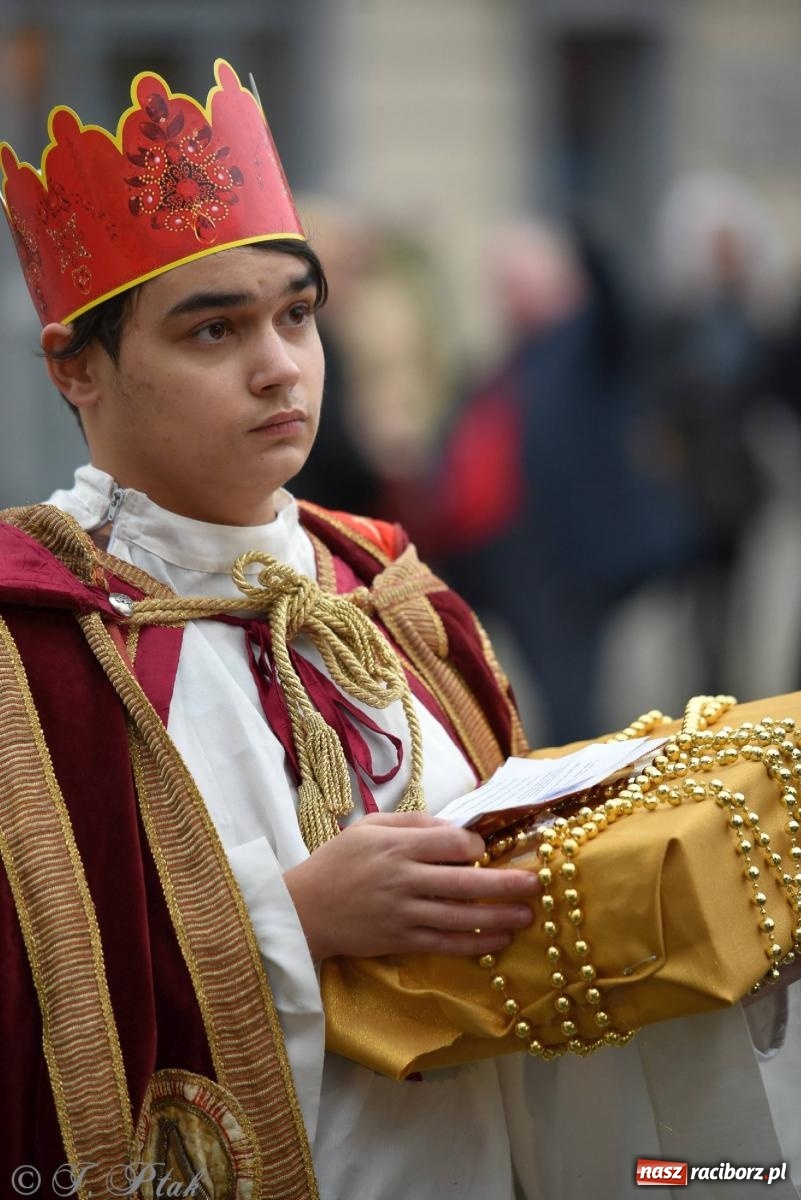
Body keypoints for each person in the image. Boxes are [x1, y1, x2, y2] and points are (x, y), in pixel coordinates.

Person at [1, 61, 799, 1200]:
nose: (280, 365)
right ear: (75, 367)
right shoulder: (31, 648)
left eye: (297, 314)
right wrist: (293, 922)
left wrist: (687, 906)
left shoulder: (393, 592)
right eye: (213, 330)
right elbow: (29, 1000)